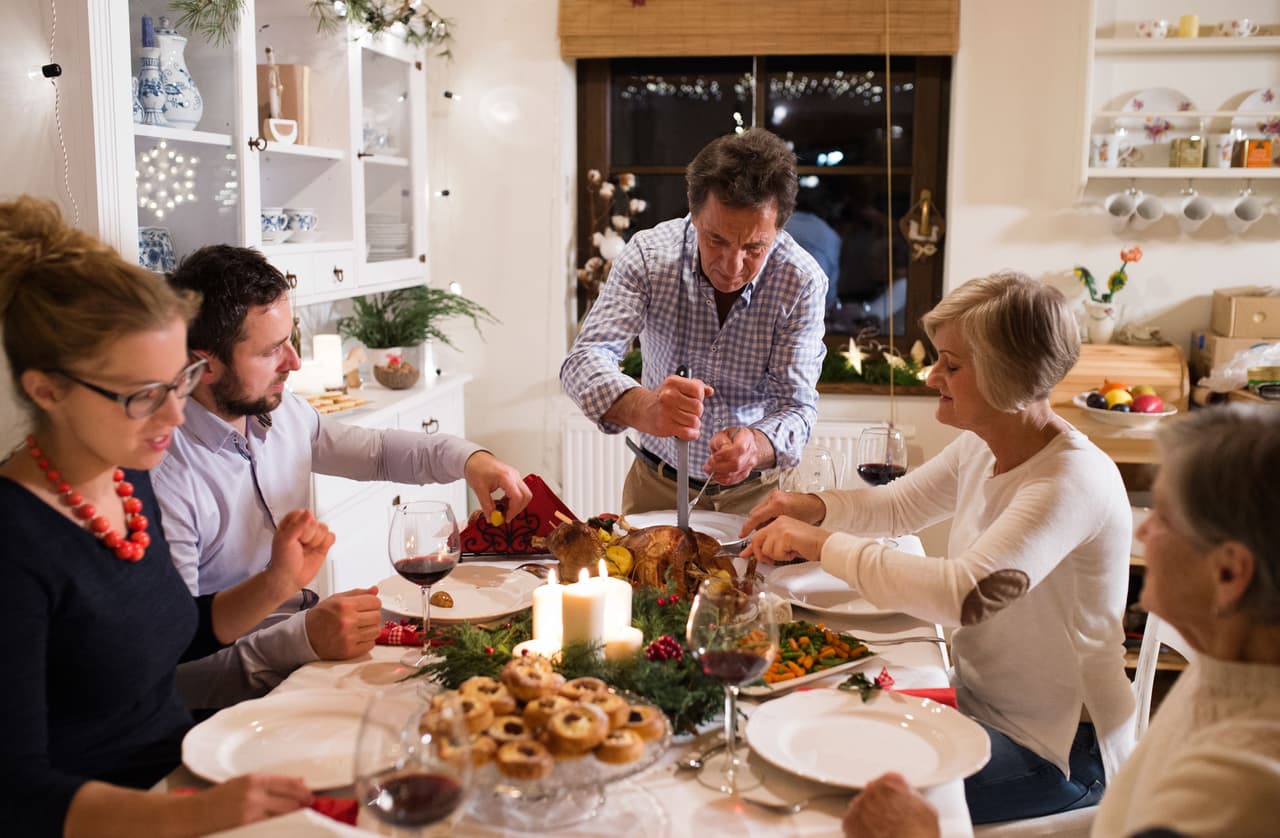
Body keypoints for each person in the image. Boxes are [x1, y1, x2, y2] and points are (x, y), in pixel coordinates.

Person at [744, 272, 1136, 824]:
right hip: (981, 708)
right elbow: (897, 507)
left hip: (1059, 751)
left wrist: (820, 542)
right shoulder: (986, 444)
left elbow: (964, 595)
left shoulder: (1070, 480)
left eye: (952, 365)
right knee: (806, 732)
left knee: (839, 797)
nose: (932, 376)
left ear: (1008, 377)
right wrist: (813, 505)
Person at [0, 196, 326, 835]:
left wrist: (277, 584)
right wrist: (191, 813)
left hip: (183, 774)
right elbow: (16, 791)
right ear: (47, 390)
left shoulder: (125, 479)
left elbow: (169, 636)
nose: (176, 417)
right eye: (144, 395)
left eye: (178, 383)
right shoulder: (15, 544)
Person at [839, 404, 1280, 838]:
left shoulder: (1241, 790)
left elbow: (961, 593)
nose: (1142, 533)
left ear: (1229, 573)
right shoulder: (1226, 675)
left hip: (1064, 757)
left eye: (1165, 519)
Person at [153, 244, 531, 709]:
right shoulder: (164, 475)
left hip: (310, 656)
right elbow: (172, 674)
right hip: (239, 704)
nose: (294, 362)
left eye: (290, 340)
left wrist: (469, 459)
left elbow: (375, 452)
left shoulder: (280, 410)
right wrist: (299, 641)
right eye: (273, 350)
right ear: (205, 364)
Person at [561, 128, 827, 516]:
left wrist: (755, 444)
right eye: (716, 239)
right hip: (657, 484)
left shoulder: (800, 280)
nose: (733, 267)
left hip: (758, 496)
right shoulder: (650, 256)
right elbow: (584, 360)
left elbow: (797, 408)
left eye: (754, 247)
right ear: (694, 212)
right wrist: (645, 407)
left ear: (779, 228)